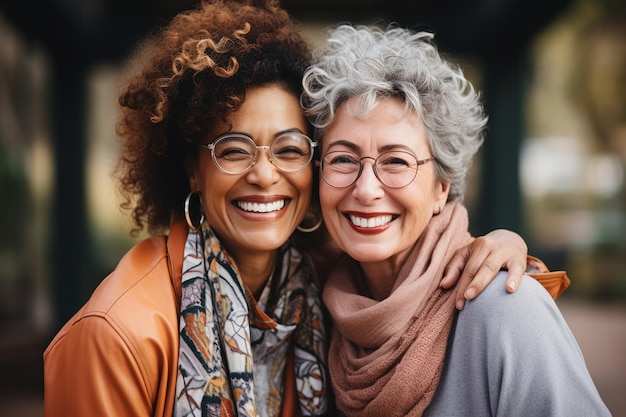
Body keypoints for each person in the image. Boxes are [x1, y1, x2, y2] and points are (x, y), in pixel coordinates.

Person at [43, 1, 549, 416]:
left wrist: (509, 248)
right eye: (235, 149)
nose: (265, 175)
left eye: (288, 149)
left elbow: (445, 274)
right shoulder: (117, 335)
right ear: (192, 169)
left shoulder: (317, 288)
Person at [302, 23, 610, 417]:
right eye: (343, 158)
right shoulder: (316, 313)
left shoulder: (507, 310)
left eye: (396, 161)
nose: (365, 189)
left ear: (441, 189)